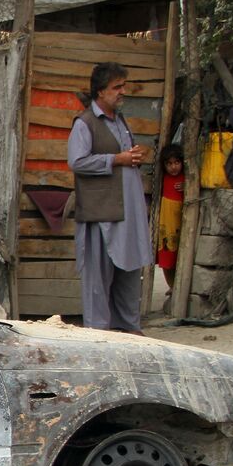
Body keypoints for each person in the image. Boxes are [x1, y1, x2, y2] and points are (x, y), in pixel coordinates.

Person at [68, 62, 154, 333]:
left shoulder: (120, 121)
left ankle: (130, 334)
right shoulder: (85, 124)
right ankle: (99, 338)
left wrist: (134, 157)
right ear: (100, 92)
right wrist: (117, 159)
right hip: (100, 215)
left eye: (123, 86)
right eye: (117, 87)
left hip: (126, 214)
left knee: (128, 273)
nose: (122, 92)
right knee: (97, 282)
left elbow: (123, 158)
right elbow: (77, 161)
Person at [156, 144, 186, 290]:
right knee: (167, 255)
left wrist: (187, 186)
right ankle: (172, 286)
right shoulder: (162, 179)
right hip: (166, 223)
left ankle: (179, 286)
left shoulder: (187, 179)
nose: (173, 167)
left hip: (182, 222)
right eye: (169, 163)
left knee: (181, 253)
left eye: (176, 162)